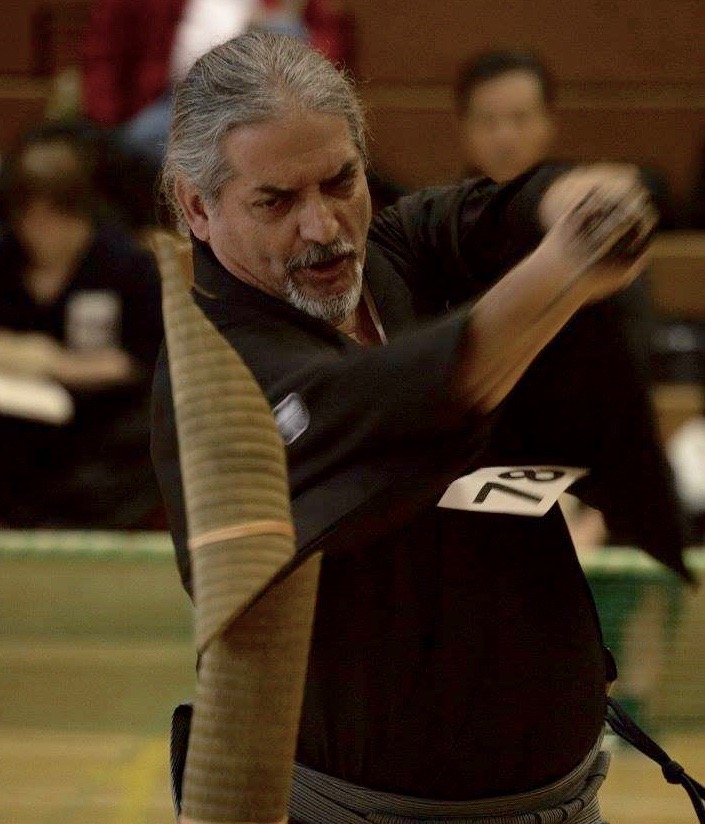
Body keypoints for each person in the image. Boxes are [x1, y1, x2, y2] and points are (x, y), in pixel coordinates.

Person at [151, 31, 692, 824]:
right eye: (276, 201)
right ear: (197, 206)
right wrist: (565, 268)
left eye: (341, 181)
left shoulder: (394, 252)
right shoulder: (213, 372)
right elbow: (398, 403)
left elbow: (496, 210)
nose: (323, 226)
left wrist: (579, 201)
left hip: (566, 795)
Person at [0, 127, 164, 528]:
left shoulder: (125, 265)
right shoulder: (6, 258)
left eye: (51, 216)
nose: (38, 229)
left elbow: (143, 358)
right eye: (28, 216)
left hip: (103, 426)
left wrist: (57, 364)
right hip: (16, 421)